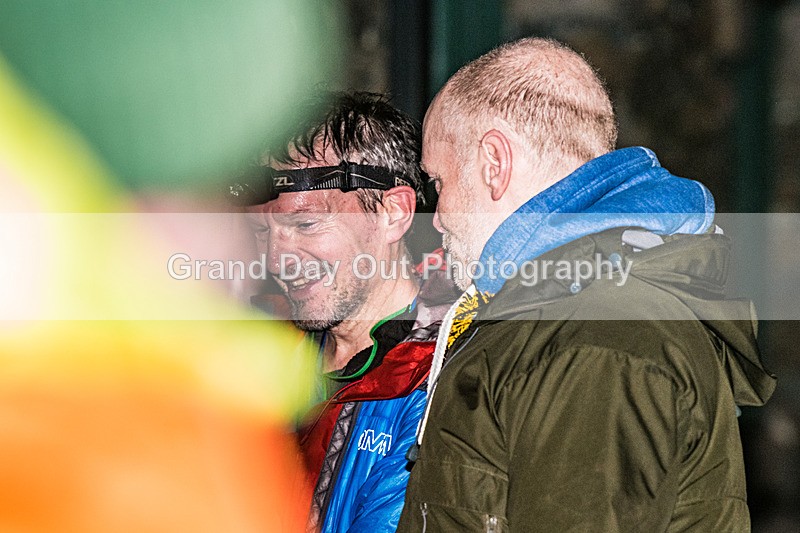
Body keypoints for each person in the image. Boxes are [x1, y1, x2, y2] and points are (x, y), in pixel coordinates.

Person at [397, 38, 776, 531]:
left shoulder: (596, 337)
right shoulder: (561, 310)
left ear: (494, 163)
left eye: (440, 183)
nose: (439, 218)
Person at [232, 91, 458, 532]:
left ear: (394, 213)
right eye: (262, 231)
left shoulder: (443, 379)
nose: (277, 259)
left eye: (305, 224)